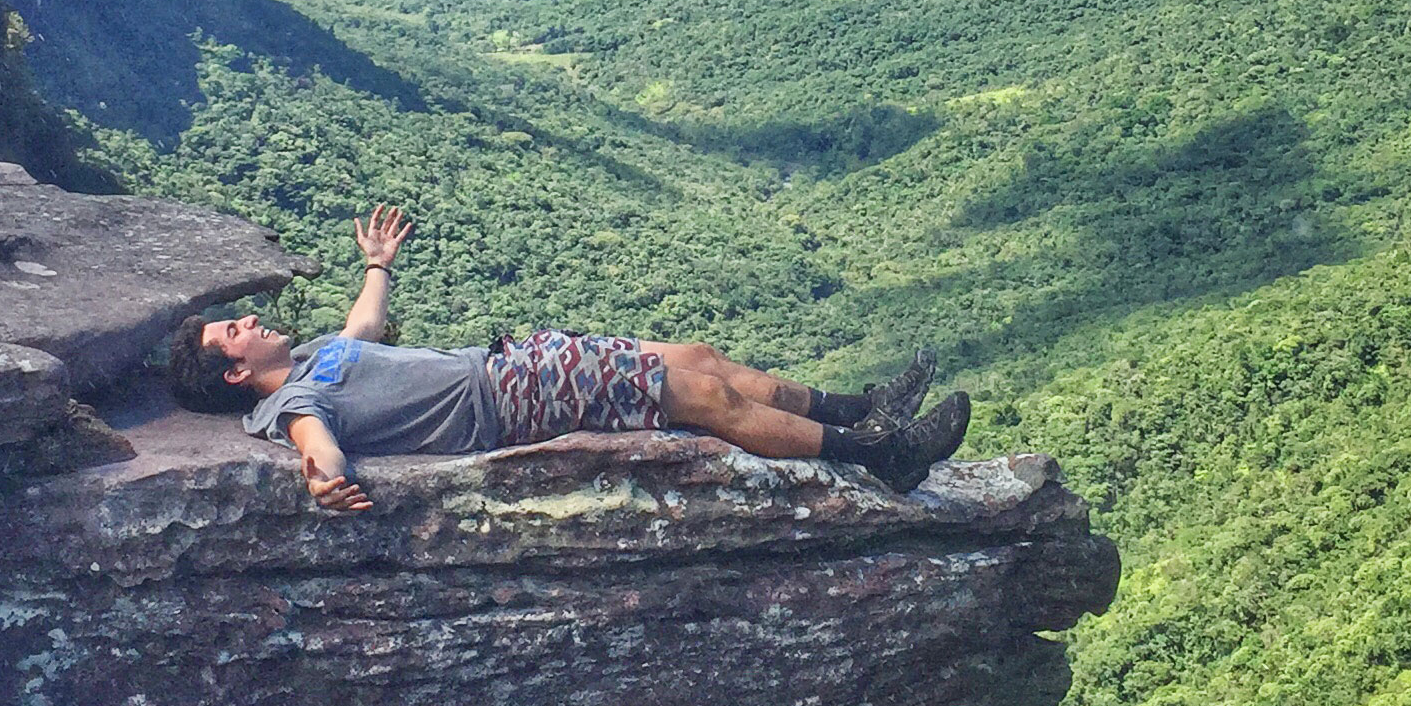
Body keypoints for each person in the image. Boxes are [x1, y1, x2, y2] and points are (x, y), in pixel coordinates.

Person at [161, 204, 970, 513]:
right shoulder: (292, 406)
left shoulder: (313, 359)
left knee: (696, 353)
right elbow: (318, 447)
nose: (251, 319)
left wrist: (378, 263)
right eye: (233, 332)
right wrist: (326, 481)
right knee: (698, 397)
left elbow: (363, 325)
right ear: (236, 375)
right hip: (509, 400)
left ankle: (857, 410)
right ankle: (881, 457)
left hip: (515, 359)